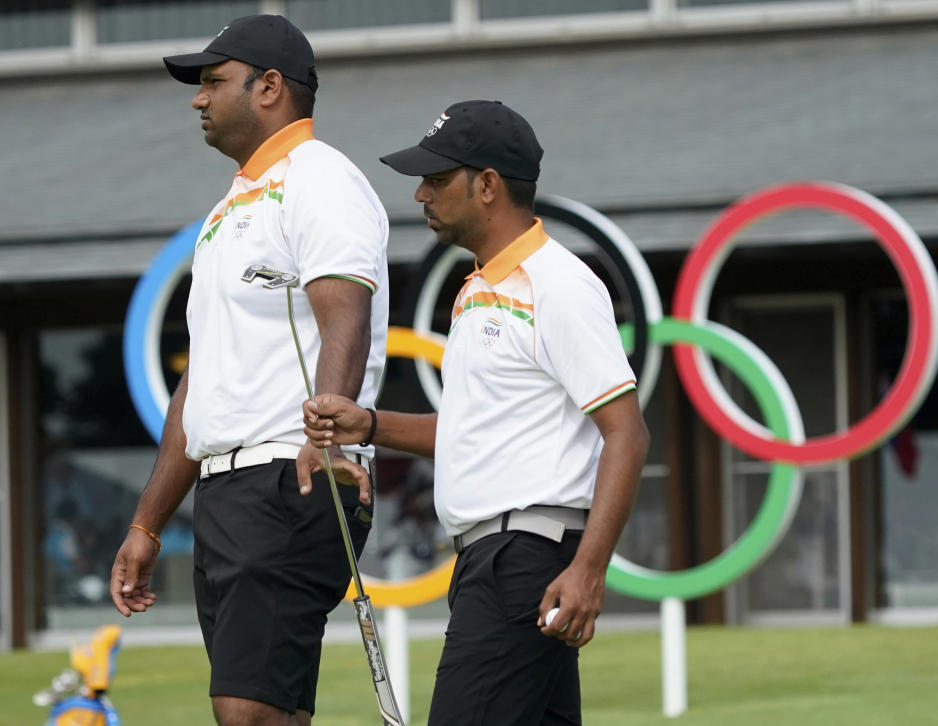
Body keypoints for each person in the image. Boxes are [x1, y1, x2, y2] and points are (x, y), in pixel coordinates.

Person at [303, 100, 649, 726]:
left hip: (525, 558)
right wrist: (370, 424)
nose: (419, 194)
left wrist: (589, 570)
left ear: (487, 185)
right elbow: (467, 434)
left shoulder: (559, 286)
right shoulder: (477, 289)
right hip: (493, 560)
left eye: (437, 179)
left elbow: (627, 434)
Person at [109, 15, 389, 726]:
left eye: (211, 82)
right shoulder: (226, 209)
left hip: (292, 478)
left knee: (247, 714)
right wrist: (146, 525)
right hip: (227, 494)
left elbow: (345, 320)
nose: (197, 100)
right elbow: (199, 383)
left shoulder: (322, 179)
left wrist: (325, 438)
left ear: (269, 87)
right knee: (266, 711)